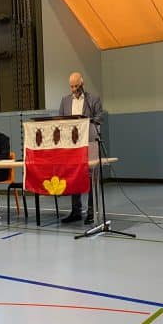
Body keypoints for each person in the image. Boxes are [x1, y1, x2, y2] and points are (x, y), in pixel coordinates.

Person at [59, 71, 103, 225]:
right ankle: (76, 211)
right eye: (71, 86)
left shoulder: (93, 99)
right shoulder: (65, 101)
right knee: (74, 175)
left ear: (82, 84)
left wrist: (86, 122)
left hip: (90, 141)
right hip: (73, 144)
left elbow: (100, 117)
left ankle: (91, 211)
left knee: (91, 176)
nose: (74, 89)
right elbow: (61, 120)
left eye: (76, 86)